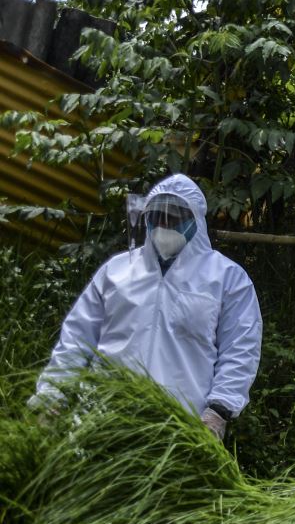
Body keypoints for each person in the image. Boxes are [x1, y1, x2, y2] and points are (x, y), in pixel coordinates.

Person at [34, 173, 263, 438]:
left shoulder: (226, 278)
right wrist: (53, 394)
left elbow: (240, 348)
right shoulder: (117, 271)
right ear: (147, 219)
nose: (165, 225)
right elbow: (77, 336)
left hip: (184, 427)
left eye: (175, 219)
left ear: (195, 222)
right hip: (103, 419)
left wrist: (218, 410)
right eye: (158, 217)